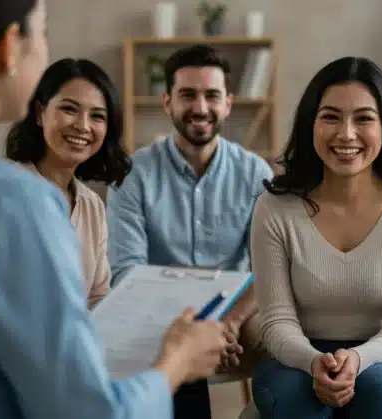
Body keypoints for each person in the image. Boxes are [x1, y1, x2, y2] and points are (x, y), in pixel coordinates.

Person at [0, 1, 228, 418]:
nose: (83, 125)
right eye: (43, 31)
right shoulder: (14, 203)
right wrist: (177, 362)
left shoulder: (76, 202)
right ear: (10, 47)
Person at [249, 56, 382, 419]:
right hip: (296, 358)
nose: (346, 134)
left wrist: (357, 358)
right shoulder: (274, 208)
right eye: (331, 117)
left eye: (364, 118)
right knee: (296, 402)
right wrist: (313, 361)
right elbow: (276, 322)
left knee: (379, 392)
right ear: (311, 124)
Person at [106, 44, 273, 418]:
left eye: (212, 95)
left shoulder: (256, 174)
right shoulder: (131, 175)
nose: (200, 108)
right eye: (187, 95)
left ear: (228, 103)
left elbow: (270, 268)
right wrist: (192, 326)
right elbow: (126, 272)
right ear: (167, 102)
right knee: (175, 339)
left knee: (281, 335)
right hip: (159, 313)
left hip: (238, 314)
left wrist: (227, 322)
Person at [5, 57, 131, 310]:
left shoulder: (92, 206)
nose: (83, 126)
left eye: (97, 116)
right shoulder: (5, 192)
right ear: (41, 113)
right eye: (70, 109)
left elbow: (97, 298)